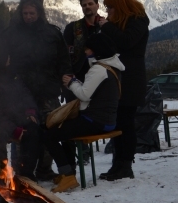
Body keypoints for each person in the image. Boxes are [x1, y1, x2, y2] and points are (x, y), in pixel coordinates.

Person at [0, 0, 72, 179]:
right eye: (25, 14)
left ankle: (44, 169)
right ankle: (22, 171)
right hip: (21, 91)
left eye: (32, 13)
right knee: (25, 131)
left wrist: (65, 78)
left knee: (49, 130)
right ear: (20, 14)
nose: (29, 17)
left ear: (39, 13)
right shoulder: (12, 34)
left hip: (48, 89)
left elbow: (63, 60)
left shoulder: (52, 33)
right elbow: (1, 60)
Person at [43, 33, 124, 192]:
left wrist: (71, 83)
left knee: (49, 135)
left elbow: (84, 95)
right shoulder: (113, 67)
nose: (86, 52)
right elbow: (93, 91)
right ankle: (69, 172)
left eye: (88, 49)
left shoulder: (98, 69)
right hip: (107, 119)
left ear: (96, 50)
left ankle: (68, 176)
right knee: (65, 134)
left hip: (95, 120)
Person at [98, 0, 150, 181]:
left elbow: (126, 42)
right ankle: (117, 163)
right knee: (119, 122)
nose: (108, 11)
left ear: (119, 7)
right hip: (119, 78)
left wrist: (107, 27)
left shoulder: (138, 21)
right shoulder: (122, 24)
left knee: (126, 123)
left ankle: (125, 164)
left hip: (131, 79)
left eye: (110, 7)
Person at [0, 47, 39, 169]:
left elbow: (24, 94)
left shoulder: (10, 77)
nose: (9, 60)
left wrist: (30, 111)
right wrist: (14, 130)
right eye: (7, 58)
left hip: (13, 119)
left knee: (34, 130)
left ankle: (26, 173)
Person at [64, 0, 104, 80]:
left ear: (97, 6)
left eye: (90, 4)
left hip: (103, 73)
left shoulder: (106, 26)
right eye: (84, 5)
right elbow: (65, 53)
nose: (87, 7)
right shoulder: (73, 27)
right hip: (79, 74)